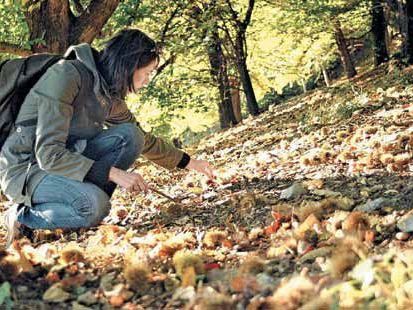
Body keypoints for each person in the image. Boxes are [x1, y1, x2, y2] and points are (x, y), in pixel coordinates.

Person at [1, 29, 215, 248]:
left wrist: (189, 162)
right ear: (130, 65)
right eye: (148, 72)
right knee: (94, 206)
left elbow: (143, 138)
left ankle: (74, 207)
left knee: (130, 136)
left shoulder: (108, 95)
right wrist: (113, 174)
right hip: (26, 169)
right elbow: (49, 154)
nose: (148, 80)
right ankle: (21, 215)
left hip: (66, 162)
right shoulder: (66, 75)